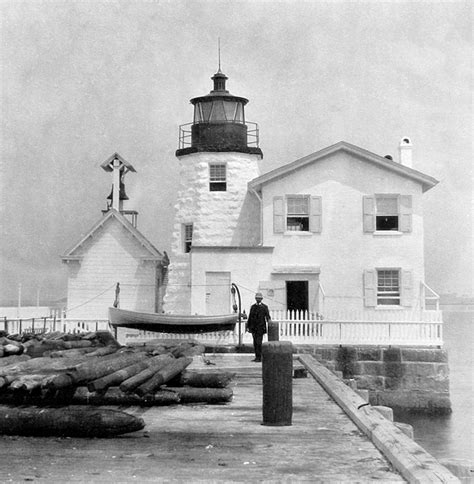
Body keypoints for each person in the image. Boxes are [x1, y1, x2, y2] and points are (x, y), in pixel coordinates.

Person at [246, 292, 271, 362]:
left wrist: (270, 323)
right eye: (257, 298)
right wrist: (248, 326)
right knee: (255, 343)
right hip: (254, 328)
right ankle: (257, 357)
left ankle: (259, 357)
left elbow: (268, 317)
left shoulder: (264, 307)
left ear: (262, 299)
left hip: (260, 328)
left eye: (259, 298)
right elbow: (250, 317)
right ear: (255, 299)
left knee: (259, 343)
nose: (258, 299)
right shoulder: (253, 307)